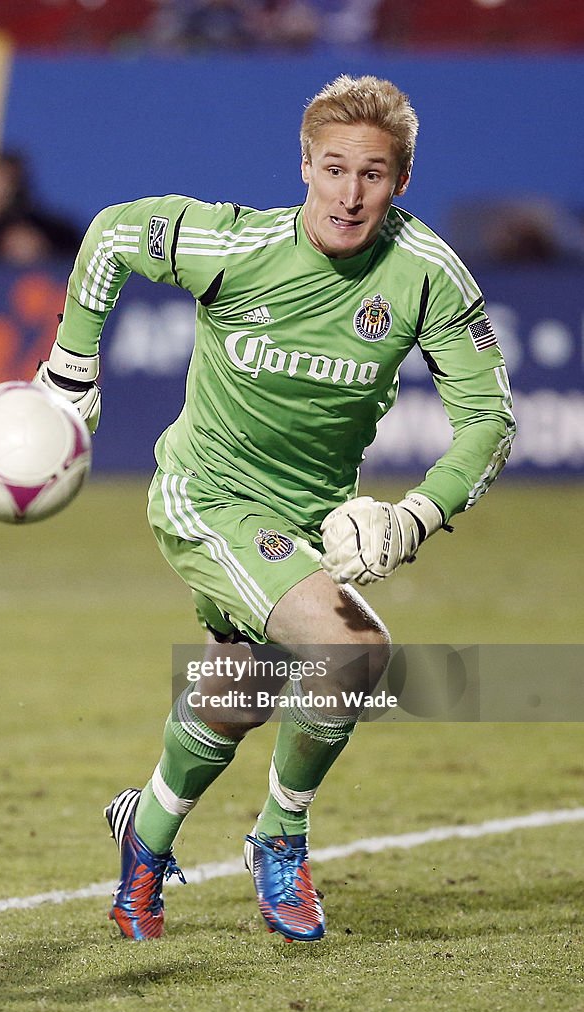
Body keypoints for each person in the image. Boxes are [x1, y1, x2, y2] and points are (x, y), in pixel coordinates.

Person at [33, 75, 515, 942]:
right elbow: (109, 235)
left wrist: (411, 517)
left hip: (309, 521)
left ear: (400, 180)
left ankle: (141, 838)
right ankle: (279, 839)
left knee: (241, 693)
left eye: (372, 174)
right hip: (206, 495)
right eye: (332, 169)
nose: (349, 193)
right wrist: (72, 369)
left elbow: (489, 420)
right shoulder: (235, 243)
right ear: (302, 166)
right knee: (353, 649)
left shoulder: (426, 275)